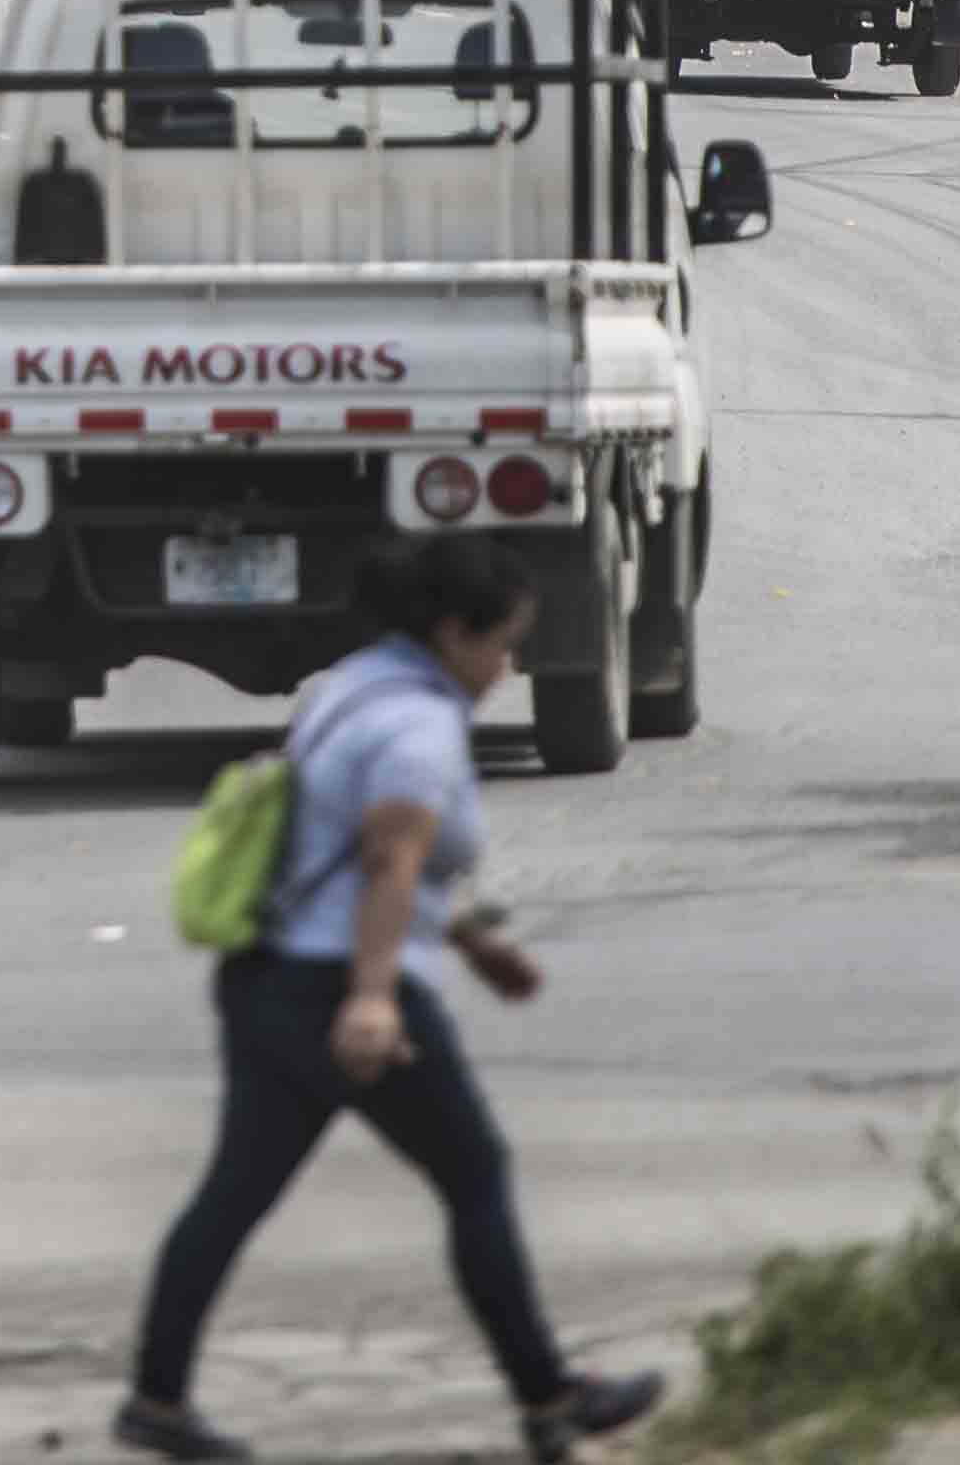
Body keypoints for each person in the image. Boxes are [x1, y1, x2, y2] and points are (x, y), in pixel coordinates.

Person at [117, 538, 661, 1463]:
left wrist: (477, 946)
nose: (506, 668)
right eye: (502, 645)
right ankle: (549, 1395)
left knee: (235, 1193)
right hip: (338, 982)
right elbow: (388, 861)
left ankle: (157, 1403)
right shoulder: (417, 725)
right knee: (474, 1172)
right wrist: (373, 1003)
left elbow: (352, 852)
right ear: (453, 633)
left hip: (268, 978)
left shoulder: (347, 687)